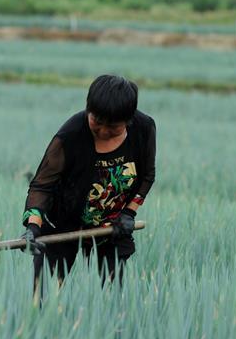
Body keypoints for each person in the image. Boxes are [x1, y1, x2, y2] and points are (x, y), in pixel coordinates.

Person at [22, 75, 156, 289]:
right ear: (88, 109)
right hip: (63, 226)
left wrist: (129, 213)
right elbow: (42, 185)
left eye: (112, 127)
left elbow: (147, 175)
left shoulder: (143, 129)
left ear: (128, 120)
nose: (103, 131)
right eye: (97, 122)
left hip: (112, 229)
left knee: (113, 296)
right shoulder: (70, 135)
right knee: (43, 293)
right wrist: (33, 226)